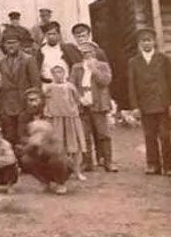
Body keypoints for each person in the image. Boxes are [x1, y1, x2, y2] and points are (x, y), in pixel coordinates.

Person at [126, 27, 171, 175]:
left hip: (163, 104)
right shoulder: (133, 62)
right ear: (139, 43)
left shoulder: (164, 59)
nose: (146, 43)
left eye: (149, 40)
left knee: (166, 135)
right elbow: (131, 85)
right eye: (143, 41)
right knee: (149, 135)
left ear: (154, 42)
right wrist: (135, 107)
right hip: (145, 106)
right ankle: (153, 164)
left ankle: (168, 165)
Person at [71, 41, 117, 172]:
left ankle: (108, 161)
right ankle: (87, 162)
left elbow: (105, 82)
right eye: (84, 53)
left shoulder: (103, 66)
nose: (87, 55)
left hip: (99, 104)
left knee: (103, 134)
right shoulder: (76, 68)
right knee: (85, 135)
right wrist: (79, 98)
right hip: (83, 104)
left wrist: (94, 70)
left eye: (90, 52)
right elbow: (72, 85)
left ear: (95, 52)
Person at [42, 66, 86, 181]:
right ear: (52, 74)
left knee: (74, 146)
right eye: (55, 72)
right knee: (57, 146)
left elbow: (78, 99)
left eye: (60, 72)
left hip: (70, 118)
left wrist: (75, 110)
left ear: (64, 73)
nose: (58, 75)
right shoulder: (49, 87)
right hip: (56, 119)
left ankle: (77, 171)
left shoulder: (70, 86)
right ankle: (57, 172)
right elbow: (45, 101)